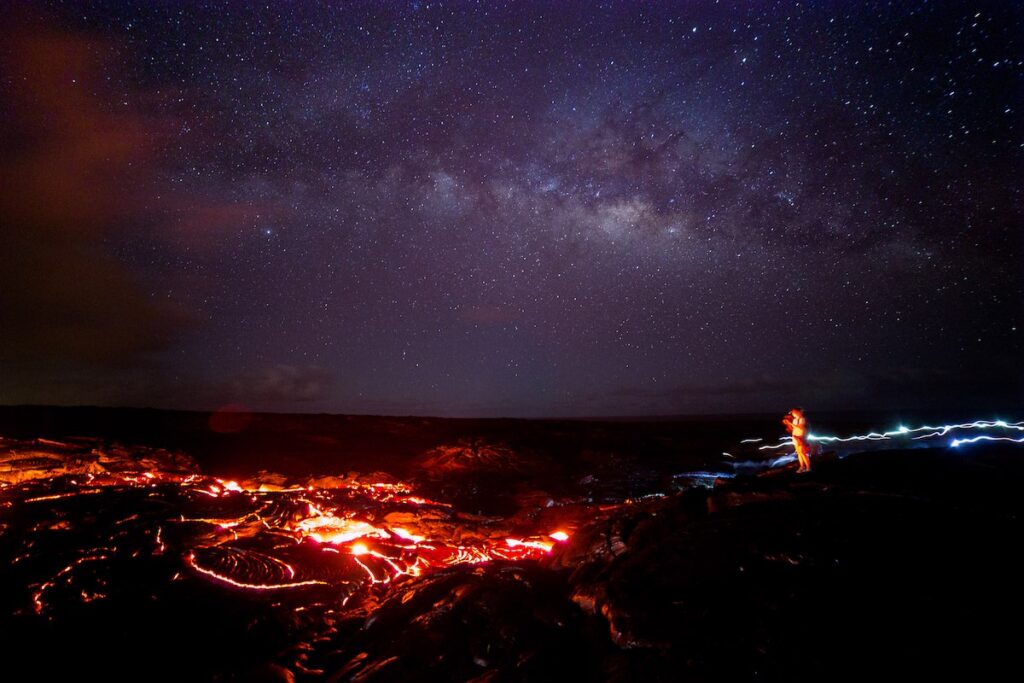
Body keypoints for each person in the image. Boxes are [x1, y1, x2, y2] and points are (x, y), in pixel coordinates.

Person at [783, 408, 812, 473]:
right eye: (792, 413)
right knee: (799, 453)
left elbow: (800, 427)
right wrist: (787, 424)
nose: (792, 414)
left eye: (793, 412)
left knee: (803, 453)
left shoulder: (802, 419)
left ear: (798, 412)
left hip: (800, 437)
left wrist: (790, 423)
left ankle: (808, 467)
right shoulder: (795, 420)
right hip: (795, 437)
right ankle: (802, 467)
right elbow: (793, 428)